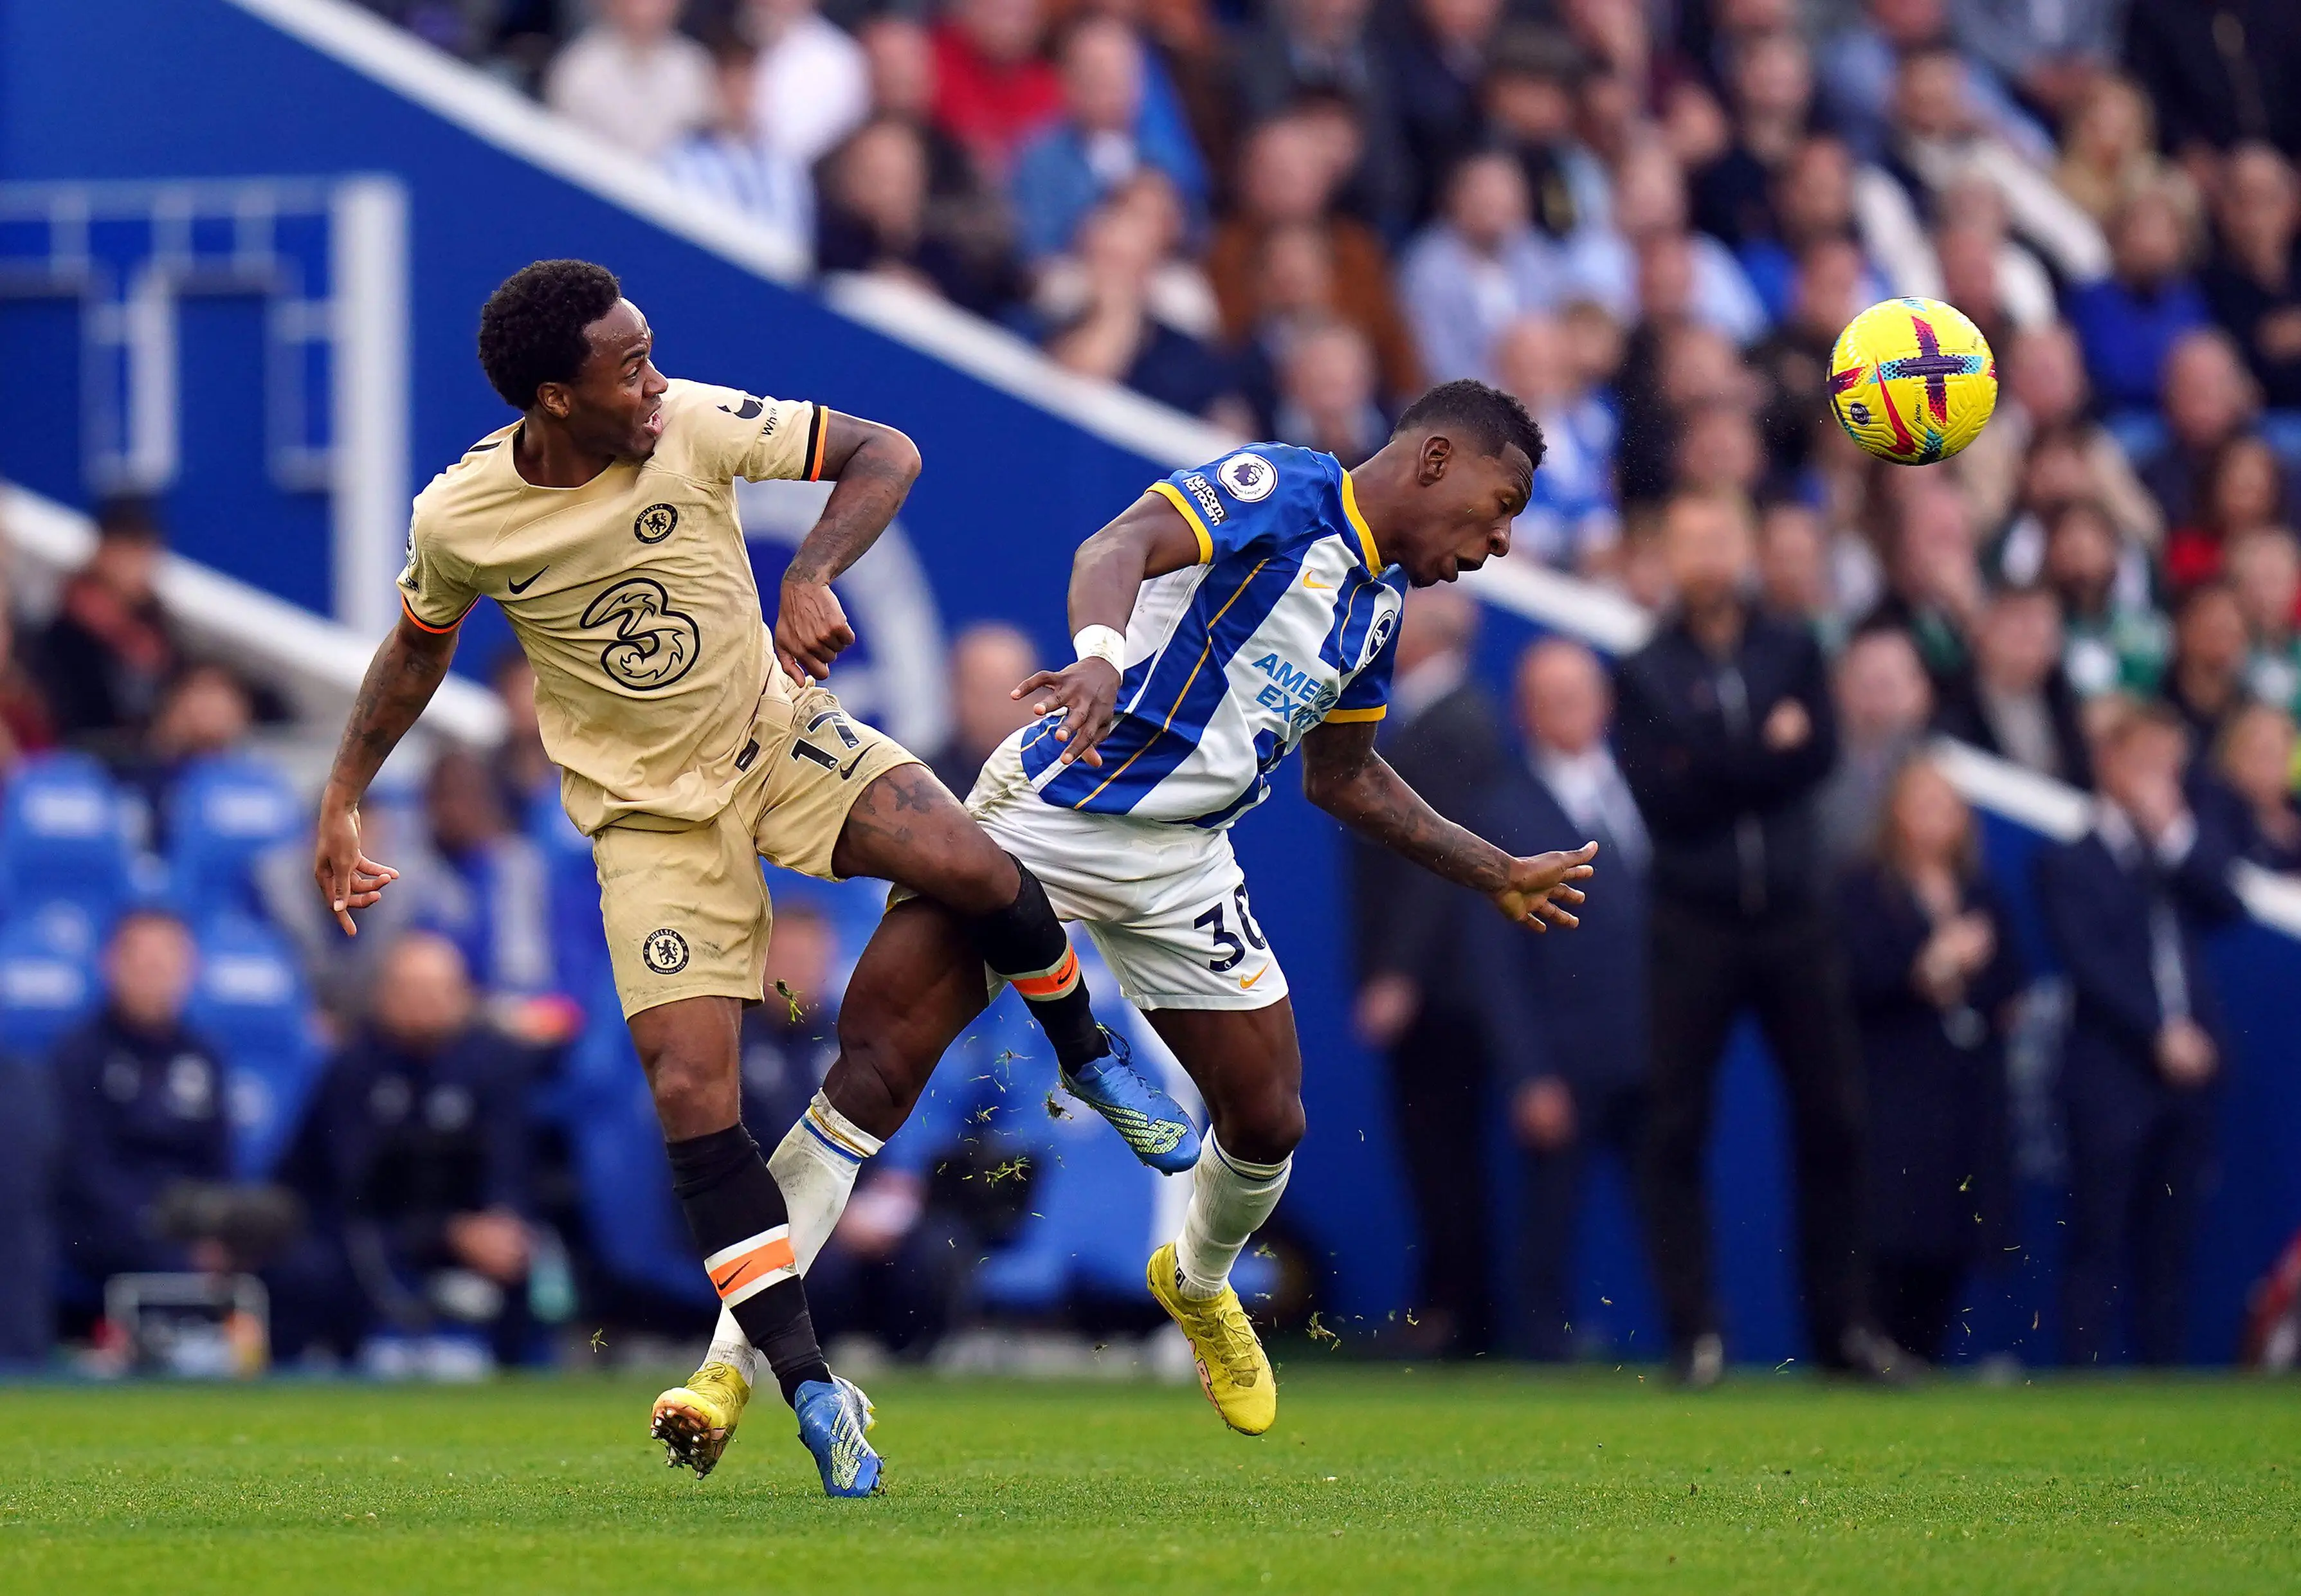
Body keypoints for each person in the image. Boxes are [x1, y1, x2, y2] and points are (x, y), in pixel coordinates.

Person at [310, 260, 1190, 1494]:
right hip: (650, 829)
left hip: (778, 740)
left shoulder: (693, 421)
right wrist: (344, 791)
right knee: (689, 1094)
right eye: (627, 366)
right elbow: (416, 652)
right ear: (555, 401)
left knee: (973, 863)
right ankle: (812, 1387)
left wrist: (812, 569)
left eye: (651, 348)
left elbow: (887, 451)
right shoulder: (459, 519)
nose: (655, 377)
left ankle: (1089, 1058)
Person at [747, 380, 1596, 1439]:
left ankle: (1196, 1284)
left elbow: (1343, 776)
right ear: (1434, 462)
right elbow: (1116, 544)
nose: (1501, 541)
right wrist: (1101, 660)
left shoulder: (1375, 603)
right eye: (1501, 501)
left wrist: (1492, 868)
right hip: (1055, 808)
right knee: (872, 1073)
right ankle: (725, 1374)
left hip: (1181, 864)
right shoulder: (1284, 488)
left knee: (1269, 1117)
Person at [1614, 491, 1904, 1387]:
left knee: (1834, 1120)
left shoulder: (1794, 647)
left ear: (1745, 547)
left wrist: (1709, 754)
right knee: (1672, 1126)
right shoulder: (1642, 667)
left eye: (1719, 536)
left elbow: (1811, 758)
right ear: (1665, 552)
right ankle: (1693, 1334)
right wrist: (1755, 754)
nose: (1705, 554)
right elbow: (1664, 793)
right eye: (1688, 537)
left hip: (1793, 918)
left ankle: (1845, 1330)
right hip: (1691, 920)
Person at [2035, 700, 2244, 1365]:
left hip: (2190, 1076)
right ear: (2107, 765)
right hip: (2110, 1072)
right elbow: (2089, 964)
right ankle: (2081, 1380)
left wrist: (2172, 831)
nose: (2159, 780)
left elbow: (2226, 902)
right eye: (2144, 764)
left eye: (2169, 767)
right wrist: (2158, 1033)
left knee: (2171, 1241)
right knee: (2096, 1233)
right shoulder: (2070, 858)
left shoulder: (2181, 849)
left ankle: (2162, 1380)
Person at [1473, 636, 1650, 1359]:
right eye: (1551, 698)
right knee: (1548, 1222)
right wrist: (1527, 1072)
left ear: (1604, 703)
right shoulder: (1499, 810)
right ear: (1525, 712)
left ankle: (1697, 1343)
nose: (1568, 711)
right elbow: (1491, 962)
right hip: (1560, 1057)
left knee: (1669, 1207)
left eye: (1579, 694)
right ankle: (1544, 1353)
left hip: (1649, 1049)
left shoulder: (1646, 787)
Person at [1347, 586, 1508, 1357]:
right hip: (1433, 985)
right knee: (1433, 1153)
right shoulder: (1431, 718)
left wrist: (1398, 974)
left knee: (1443, 1153)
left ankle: (1455, 1316)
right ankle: (1448, 1306)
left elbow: (1434, 863)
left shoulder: (1456, 724)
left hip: (1442, 990)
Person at [271, 934, 536, 1368]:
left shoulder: (494, 1063)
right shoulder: (353, 1068)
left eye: (439, 992)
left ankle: (519, 1379)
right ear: (383, 996)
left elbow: (511, 1164)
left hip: (470, 1233)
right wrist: (449, 1234)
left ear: (465, 996)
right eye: (410, 991)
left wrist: (503, 1223)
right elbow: (352, 1190)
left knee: (525, 1252)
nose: (425, 1005)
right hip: (366, 1235)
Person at [1838, 758, 2025, 1362]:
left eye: (1945, 805)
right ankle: (1876, 1347)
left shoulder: (1980, 889)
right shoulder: (1864, 887)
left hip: (1965, 1085)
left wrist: (1968, 974)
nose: (1933, 819)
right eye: (1920, 803)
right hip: (1894, 1082)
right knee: (1892, 1217)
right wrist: (1930, 969)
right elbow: (1856, 977)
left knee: (1955, 1220)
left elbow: (2013, 979)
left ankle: (1925, 1353)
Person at [51, 911, 232, 1286]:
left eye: (167, 965)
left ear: (191, 970)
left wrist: (217, 1229)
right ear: (110, 965)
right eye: (144, 964)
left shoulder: (204, 1056)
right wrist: (156, 1227)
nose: (155, 977)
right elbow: (85, 1171)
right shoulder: (79, 1057)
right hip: (107, 1226)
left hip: (190, 1221)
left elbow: (219, 1160)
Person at [33, 495, 179, 745]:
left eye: (147, 553)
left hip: (149, 759)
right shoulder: (67, 628)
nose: (140, 566)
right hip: (82, 757)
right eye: (129, 552)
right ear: (103, 552)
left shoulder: (156, 626)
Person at [1932, 585, 2093, 788]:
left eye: (2044, 626)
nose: (2033, 634)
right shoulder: (1946, 701)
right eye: (2020, 621)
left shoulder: (2065, 703)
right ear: (1983, 628)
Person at [662, 33, 814, 246]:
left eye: (747, 83)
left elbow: (798, 239)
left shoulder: (783, 165)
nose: (739, 96)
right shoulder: (681, 158)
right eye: (730, 84)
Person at [542, 0, 714, 161]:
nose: (649, 7)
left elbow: (703, 149)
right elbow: (566, 154)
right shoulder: (578, 68)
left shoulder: (695, 68)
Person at [926, 622, 1042, 799]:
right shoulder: (923, 785)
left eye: (1014, 692)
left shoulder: (1063, 780)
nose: (999, 709)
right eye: (987, 692)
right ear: (954, 694)